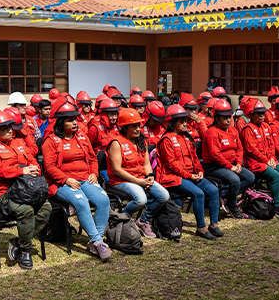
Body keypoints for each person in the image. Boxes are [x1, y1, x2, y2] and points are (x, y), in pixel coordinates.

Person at [0, 110, 51, 270]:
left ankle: (18, 241)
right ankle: (25, 250)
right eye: (5, 129)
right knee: (26, 210)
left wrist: (33, 169)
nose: (11, 131)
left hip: (23, 190)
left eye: (10, 127)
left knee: (46, 207)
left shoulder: (18, 142)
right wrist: (21, 170)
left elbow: (33, 162)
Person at [42, 99, 111, 262]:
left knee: (104, 200)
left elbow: (93, 158)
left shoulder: (82, 136)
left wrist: (94, 173)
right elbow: (49, 167)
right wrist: (66, 179)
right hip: (62, 182)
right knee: (81, 203)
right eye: (70, 120)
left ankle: (96, 241)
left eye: (75, 119)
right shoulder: (51, 141)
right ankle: (97, 241)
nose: (75, 122)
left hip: (86, 178)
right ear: (60, 122)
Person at [156, 104, 221, 240]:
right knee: (198, 194)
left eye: (186, 121)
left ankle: (213, 224)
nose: (185, 124)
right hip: (173, 177)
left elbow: (195, 159)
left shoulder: (187, 138)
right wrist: (190, 175)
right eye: (182, 122)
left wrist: (200, 171)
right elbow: (171, 164)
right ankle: (201, 228)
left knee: (213, 190)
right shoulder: (166, 140)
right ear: (173, 123)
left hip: (191, 175)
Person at [107, 109, 169, 238]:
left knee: (164, 195)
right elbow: (117, 170)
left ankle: (142, 220)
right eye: (133, 126)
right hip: (121, 181)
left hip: (141, 178)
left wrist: (150, 177)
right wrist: (138, 182)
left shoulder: (141, 141)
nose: (137, 129)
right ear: (125, 127)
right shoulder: (116, 143)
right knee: (141, 199)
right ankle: (120, 219)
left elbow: (147, 164)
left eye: (139, 125)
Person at [242, 99, 279, 218]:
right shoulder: (248, 129)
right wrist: (266, 160)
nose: (262, 115)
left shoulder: (266, 126)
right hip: (255, 163)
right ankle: (276, 206)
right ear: (252, 115)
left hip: (269, 160)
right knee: (277, 177)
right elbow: (252, 150)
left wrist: (271, 158)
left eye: (263, 113)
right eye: (259, 113)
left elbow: (271, 146)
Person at [201, 99, 254, 219]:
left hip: (232, 164)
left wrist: (239, 163)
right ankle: (232, 205)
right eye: (225, 118)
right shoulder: (212, 132)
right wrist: (231, 167)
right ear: (217, 118)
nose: (228, 120)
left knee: (250, 177)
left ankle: (226, 196)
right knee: (235, 180)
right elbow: (215, 155)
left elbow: (239, 149)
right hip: (214, 166)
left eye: (229, 117)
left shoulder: (232, 129)